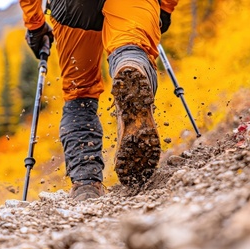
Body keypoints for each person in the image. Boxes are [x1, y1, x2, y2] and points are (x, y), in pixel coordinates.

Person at [19, 0, 179, 201]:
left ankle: (86, 182)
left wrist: (35, 26)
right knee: (131, 48)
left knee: (80, 91)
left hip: (73, 9)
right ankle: (130, 67)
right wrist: (165, 7)